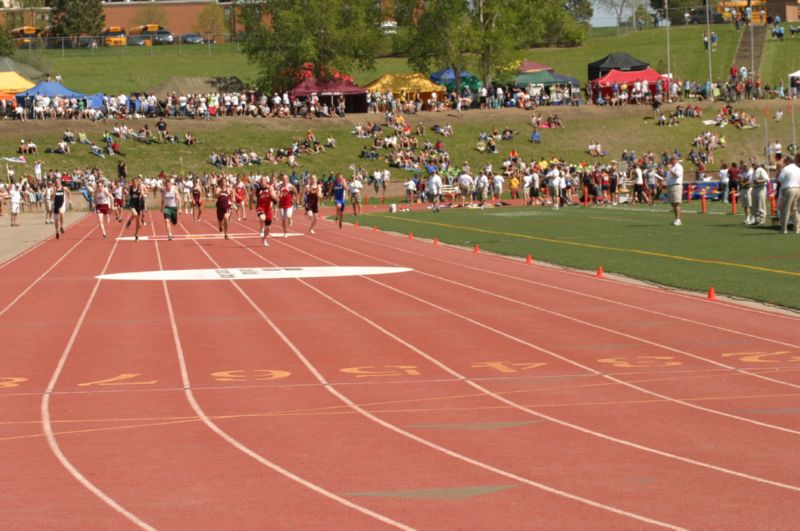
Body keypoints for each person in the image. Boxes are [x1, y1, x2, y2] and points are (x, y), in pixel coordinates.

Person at [776, 154, 800, 233]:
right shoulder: (798, 169)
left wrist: (780, 171)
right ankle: (797, 228)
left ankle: (784, 229)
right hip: (797, 189)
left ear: (789, 161)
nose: (785, 162)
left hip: (789, 189)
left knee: (786, 209)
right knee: (794, 209)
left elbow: (779, 179)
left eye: (786, 160)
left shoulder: (786, 168)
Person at [255, 175, 277, 246]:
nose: (262, 182)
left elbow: (275, 200)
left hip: (268, 209)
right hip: (260, 207)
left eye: (264, 180)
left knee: (268, 228)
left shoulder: (270, 188)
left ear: (266, 181)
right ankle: (261, 228)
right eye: (261, 180)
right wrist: (251, 203)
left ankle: (264, 239)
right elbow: (252, 195)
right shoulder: (258, 188)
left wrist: (271, 193)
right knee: (262, 217)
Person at [124, 176, 146, 241]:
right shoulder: (130, 187)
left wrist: (142, 193)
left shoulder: (139, 188)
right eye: (133, 182)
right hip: (132, 204)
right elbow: (126, 191)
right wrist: (125, 193)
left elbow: (143, 194)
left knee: (139, 225)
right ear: (132, 182)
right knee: (135, 214)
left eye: (135, 182)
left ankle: (136, 234)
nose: (134, 183)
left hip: (138, 205)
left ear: (137, 182)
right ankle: (130, 221)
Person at [666, 156, 684, 226]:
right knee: (673, 203)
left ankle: (678, 219)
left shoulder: (678, 167)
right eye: (670, 160)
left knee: (676, 203)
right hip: (670, 185)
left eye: (672, 160)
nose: (670, 161)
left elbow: (676, 175)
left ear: (676, 160)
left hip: (676, 185)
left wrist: (670, 170)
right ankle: (676, 218)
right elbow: (669, 176)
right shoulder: (672, 167)